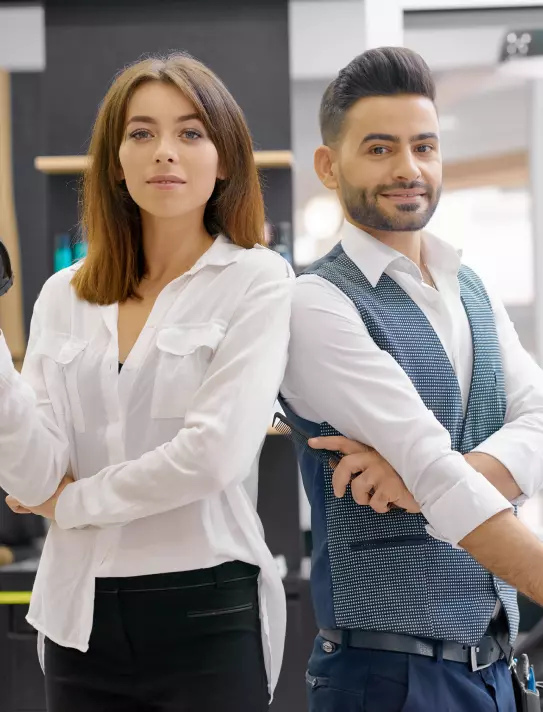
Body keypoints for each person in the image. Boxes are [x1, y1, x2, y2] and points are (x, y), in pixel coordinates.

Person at [0, 52, 293, 712]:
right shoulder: (60, 296)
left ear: (224, 159)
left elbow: (211, 456)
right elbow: (31, 471)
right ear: (114, 161)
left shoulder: (257, 280)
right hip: (77, 616)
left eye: (190, 132)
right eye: (141, 133)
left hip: (207, 610)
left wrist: (69, 504)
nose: (165, 151)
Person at [281, 46, 543, 712]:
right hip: (384, 677)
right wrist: (433, 475)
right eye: (378, 148)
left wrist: (421, 479)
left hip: (494, 668)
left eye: (423, 146)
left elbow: (536, 423)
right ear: (327, 164)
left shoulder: (470, 288)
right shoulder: (315, 301)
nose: (408, 168)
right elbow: (435, 466)